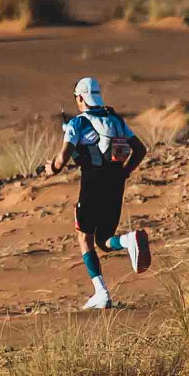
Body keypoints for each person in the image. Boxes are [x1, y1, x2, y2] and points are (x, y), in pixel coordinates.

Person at [51, 75, 150, 310]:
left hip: (92, 183)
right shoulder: (115, 120)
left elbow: (63, 157)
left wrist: (52, 168)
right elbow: (140, 150)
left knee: (84, 237)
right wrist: (124, 174)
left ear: (81, 97)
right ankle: (128, 240)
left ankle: (101, 292)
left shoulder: (78, 123)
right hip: (115, 182)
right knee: (104, 241)